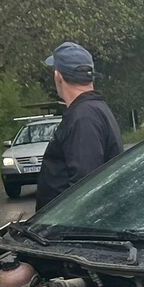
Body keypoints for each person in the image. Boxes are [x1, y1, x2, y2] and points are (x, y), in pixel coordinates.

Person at [36, 42, 123, 210]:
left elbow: (85, 192)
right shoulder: (94, 108)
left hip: (67, 232)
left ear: (58, 76)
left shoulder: (83, 117)